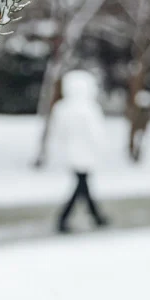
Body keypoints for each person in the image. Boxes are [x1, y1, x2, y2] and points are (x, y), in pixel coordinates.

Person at [50, 69, 109, 234]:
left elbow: (58, 133)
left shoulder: (62, 108)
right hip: (85, 153)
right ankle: (66, 217)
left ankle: (95, 215)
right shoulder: (88, 109)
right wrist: (101, 148)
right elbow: (96, 133)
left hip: (71, 153)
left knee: (83, 184)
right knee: (81, 185)